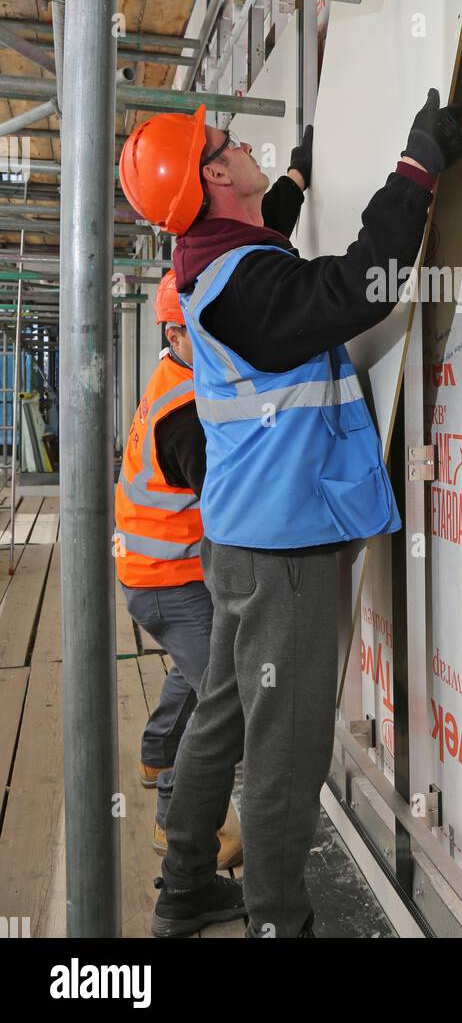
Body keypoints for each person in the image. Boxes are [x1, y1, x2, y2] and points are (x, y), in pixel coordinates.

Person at [118, 90, 462, 938]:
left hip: (244, 543)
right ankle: (280, 923)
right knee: (286, 754)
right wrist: (417, 167)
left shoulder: (207, 258)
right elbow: (358, 286)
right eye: (229, 143)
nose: (242, 145)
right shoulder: (247, 289)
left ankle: (186, 889)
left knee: (226, 714)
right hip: (285, 555)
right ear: (214, 172)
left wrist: (304, 170)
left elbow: (261, 225)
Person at [114, 269, 241, 868]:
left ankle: (156, 752)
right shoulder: (186, 409)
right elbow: (222, 503)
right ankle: (174, 820)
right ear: (174, 332)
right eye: (202, 330)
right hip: (167, 579)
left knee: (197, 671)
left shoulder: (177, 372)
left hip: (152, 573)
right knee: (224, 692)